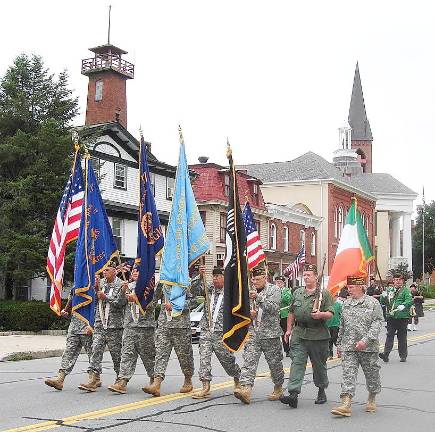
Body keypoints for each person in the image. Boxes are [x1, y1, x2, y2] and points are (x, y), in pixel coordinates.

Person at [280, 263, 334, 408]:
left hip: (318, 334)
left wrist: (320, 314)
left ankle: (321, 389)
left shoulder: (324, 293)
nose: (306, 277)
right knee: (297, 362)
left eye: (309, 275)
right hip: (299, 333)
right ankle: (293, 394)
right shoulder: (297, 292)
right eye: (304, 275)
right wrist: (288, 329)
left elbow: (331, 313)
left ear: (316, 277)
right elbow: (291, 312)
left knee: (319, 366)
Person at [142, 267, 202, 397]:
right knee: (160, 354)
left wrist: (177, 306)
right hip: (164, 325)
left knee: (184, 356)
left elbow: (193, 302)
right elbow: (154, 297)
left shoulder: (186, 282)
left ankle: (188, 379)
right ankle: (157, 383)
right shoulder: (164, 282)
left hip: (180, 326)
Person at [331, 275, 384, 417]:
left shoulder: (372, 303)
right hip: (349, 346)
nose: (349, 290)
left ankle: (372, 397)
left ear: (361, 287)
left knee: (372, 375)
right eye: (348, 287)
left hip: (368, 347)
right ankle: (346, 403)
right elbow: (342, 325)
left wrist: (365, 340)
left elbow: (377, 323)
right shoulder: (346, 304)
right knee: (348, 374)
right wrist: (339, 344)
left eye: (352, 287)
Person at [233, 267, 284, 405]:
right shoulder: (248, 291)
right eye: (253, 279)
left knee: (275, 364)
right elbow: (242, 311)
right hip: (253, 332)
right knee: (249, 361)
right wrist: (249, 314)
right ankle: (246, 389)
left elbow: (274, 308)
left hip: (270, 334)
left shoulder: (274, 290)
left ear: (265, 278)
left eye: (257, 279)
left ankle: (278, 387)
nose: (254, 281)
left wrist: (259, 298)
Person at [191, 266, 241, 399]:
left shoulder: (231, 294)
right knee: (204, 359)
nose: (215, 279)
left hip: (221, 332)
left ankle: (237, 376)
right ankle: (205, 386)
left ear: (225, 278)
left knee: (227, 360)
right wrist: (200, 276)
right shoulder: (209, 291)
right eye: (213, 276)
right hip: (207, 331)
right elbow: (194, 290)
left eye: (218, 276)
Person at [79, 261, 127, 391]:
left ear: (115, 271)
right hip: (100, 325)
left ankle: (120, 379)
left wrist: (105, 297)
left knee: (116, 355)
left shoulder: (121, 284)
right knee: (95, 351)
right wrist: (95, 289)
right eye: (104, 270)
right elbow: (95, 303)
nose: (104, 272)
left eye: (107, 270)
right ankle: (93, 378)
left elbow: (121, 303)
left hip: (114, 326)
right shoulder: (101, 284)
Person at [107, 267, 156, 394]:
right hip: (129, 326)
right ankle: (122, 381)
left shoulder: (149, 288)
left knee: (148, 356)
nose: (134, 272)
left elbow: (152, 304)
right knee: (127, 354)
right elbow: (119, 303)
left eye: (138, 270)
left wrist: (138, 299)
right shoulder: (128, 286)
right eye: (133, 270)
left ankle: (154, 380)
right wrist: (123, 291)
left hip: (145, 327)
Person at [44, 289, 93, 390]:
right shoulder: (76, 286)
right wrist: (66, 310)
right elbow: (72, 300)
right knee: (68, 352)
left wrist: (92, 325)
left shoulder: (92, 285)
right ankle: (60, 379)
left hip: (87, 326)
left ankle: (94, 378)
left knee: (92, 354)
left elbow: (95, 307)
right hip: (74, 326)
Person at [379, 268, 413, 363]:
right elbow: (384, 302)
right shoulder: (390, 290)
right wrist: (383, 296)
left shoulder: (405, 291)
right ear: (393, 281)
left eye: (400, 280)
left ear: (402, 281)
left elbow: (410, 300)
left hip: (402, 317)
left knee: (401, 337)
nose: (398, 281)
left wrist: (404, 305)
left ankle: (403, 355)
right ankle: (386, 354)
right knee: (389, 335)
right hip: (391, 316)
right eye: (396, 280)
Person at [326, 290, 345, 359]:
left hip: (336, 324)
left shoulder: (338, 305)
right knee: (329, 340)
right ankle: (330, 355)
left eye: (335, 296)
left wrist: (342, 323)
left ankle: (339, 351)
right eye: (333, 296)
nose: (334, 298)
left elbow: (342, 314)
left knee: (335, 339)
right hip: (328, 325)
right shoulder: (327, 305)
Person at [276, 275, 292, 357]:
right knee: (275, 334)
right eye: (277, 282)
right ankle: (277, 352)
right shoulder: (273, 290)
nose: (279, 284)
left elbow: (288, 299)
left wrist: (280, 293)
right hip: (275, 315)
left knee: (285, 333)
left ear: (283, 283)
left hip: (284, 315)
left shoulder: (287, 290)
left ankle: (287, 350)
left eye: (280, 282)